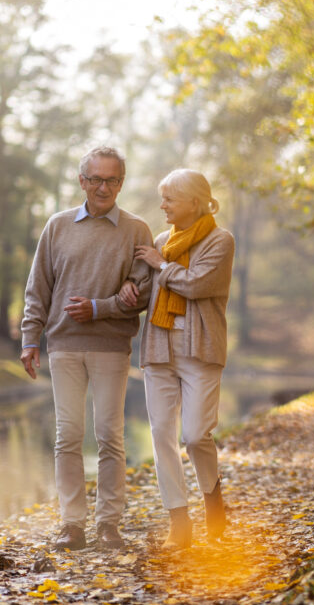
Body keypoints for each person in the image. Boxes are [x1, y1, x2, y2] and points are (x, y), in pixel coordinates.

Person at [20, 146, 153, 551]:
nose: (103, 187)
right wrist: (30, 337)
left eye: (112, 179)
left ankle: (108, 525)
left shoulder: (136, 230)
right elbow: (38, 286)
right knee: (68, 436)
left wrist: (100, 308)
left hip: (112, 347)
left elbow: (143, 293)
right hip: (63, 345)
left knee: (111, 436)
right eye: (95, 179)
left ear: (121, 183)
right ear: (82, 181)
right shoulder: (58, 226)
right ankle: (72, 525)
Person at [119, 168, 234, 549]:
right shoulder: (161, 242)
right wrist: (129, 291)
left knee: (196, 434)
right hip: (158, 347)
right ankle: (179, 522)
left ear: (195, 203)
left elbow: (198, 284)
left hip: (200, 350)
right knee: (161, 434)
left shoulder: (221, 241)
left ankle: (212, 497)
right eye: (162, 197)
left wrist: (159, 265)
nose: (163, 205)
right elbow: (147, 284)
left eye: (170, 198)